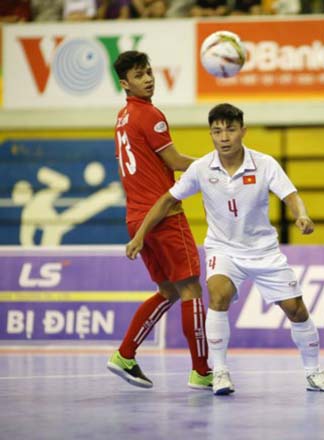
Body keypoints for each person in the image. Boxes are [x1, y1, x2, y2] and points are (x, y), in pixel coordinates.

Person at [126, 103, 324, 396]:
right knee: (218, 295)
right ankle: (220, 373)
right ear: (211, 135)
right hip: (223, 250)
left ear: (243, 131)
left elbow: (290, 195)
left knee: (297, 310)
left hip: (263, 251)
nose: (224, 137)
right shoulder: (201, 168)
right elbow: (166, 200)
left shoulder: (265, 164)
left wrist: (301, 215)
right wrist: (140, 235)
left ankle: (314, 373)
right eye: (217, 131)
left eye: (230, 129)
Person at [106, 51, 212, 390]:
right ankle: (202, 371)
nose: (148, 79)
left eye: (149, 72)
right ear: (125, 84)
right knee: (191, 288)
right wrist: (218, 165)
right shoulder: (150, 115)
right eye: (139, 75)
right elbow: (175, 160)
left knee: (167, 290)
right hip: (165, 215)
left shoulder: (123, 117)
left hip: (137, 217)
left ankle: (125, 354)